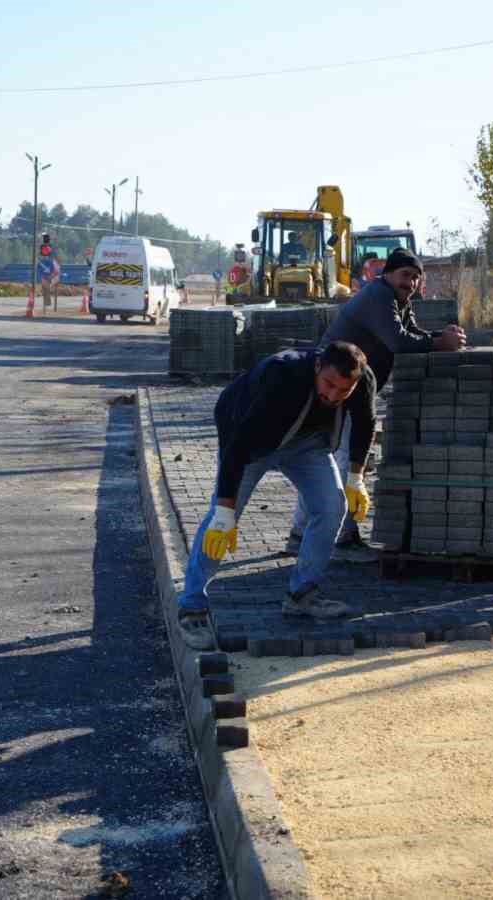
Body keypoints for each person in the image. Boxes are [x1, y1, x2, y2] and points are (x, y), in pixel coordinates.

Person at [175, 341, 378, 650]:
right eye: (329, 385)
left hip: (308, 444)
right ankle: (192, 606)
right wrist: (225, 510)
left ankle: (302, 595)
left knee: (332, 506)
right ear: (318, 366)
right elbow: (237, 446)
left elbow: (365, 423)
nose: (333, 396)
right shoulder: (281, 375)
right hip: (250, 444)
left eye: (343, 391)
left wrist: (355, 478)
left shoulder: (362, 380)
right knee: (220, 523)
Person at [284, 247, 466, 553]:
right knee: (341, 462)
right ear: (388, 275)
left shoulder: (398, 301)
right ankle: (337, 535)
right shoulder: (379, 296)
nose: (410, 282)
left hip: (350, 391)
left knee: (330, 460)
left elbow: (411, 332)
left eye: (415, 278)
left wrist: (441, 336)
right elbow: (397, 340)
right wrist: (439, 343)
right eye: (405, 275)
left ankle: (301, 536)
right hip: (337, 388)